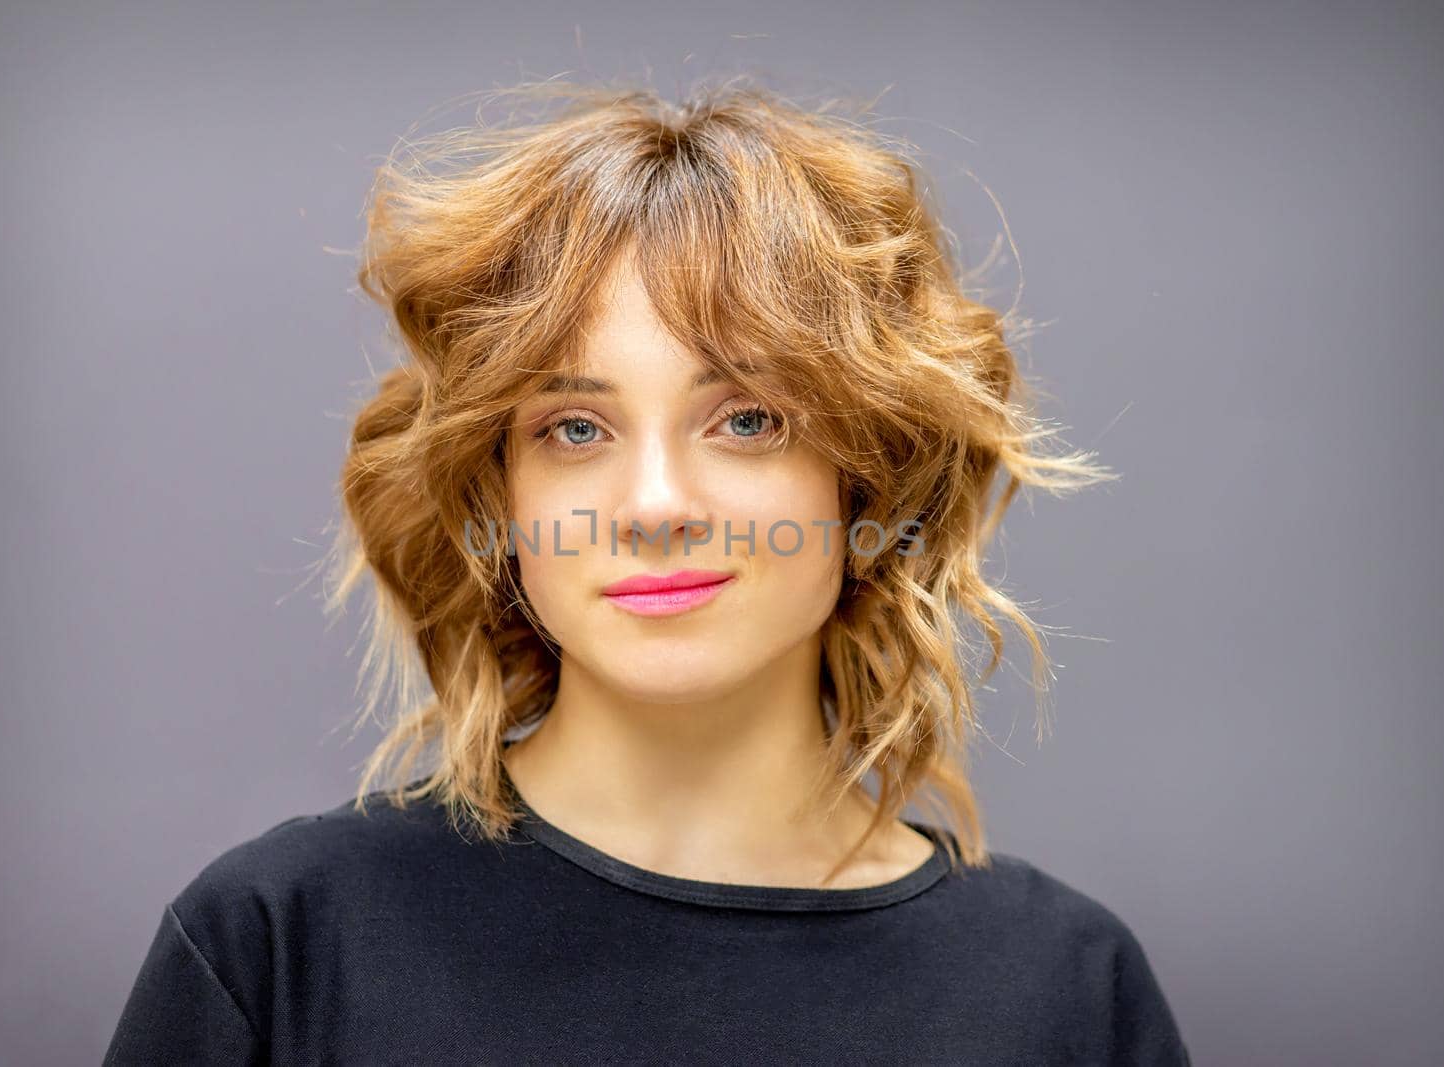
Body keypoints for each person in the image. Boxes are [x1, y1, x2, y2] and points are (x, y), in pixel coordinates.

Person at [104, 76, 1191, 1065]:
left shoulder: (1063, 992)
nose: (656, 504)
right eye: (575, 428)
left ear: (867, 482)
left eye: (748, 418)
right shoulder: (281, 946)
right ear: (499, 499)